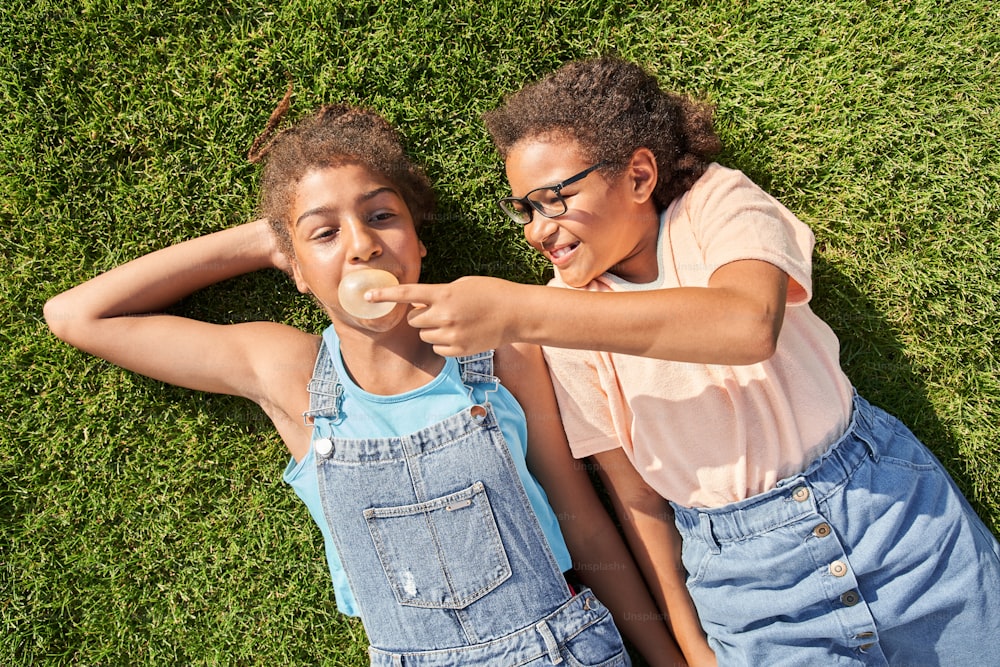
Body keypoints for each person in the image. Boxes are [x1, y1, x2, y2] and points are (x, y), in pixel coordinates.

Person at [369, 56, 1000, 665]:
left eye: (553, 198)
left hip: (890, 516)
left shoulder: (719, 205)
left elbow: (748, 323)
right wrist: (688, 645)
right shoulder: (564, 321)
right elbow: (636, 496)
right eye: (525, 208)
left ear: (640, 176)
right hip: (748, 587)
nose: (537, 229)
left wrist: (521, 312)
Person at [43, 92, 691, 665]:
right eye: (325, 232)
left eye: (382, 216)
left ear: (417, 241)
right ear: (294, 268)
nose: (361, 244)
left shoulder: (503, 347)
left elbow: (583, 521)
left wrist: (669, 658)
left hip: (559, 649)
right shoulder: (288, 371)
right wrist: (266, 240)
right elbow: (76, 315)